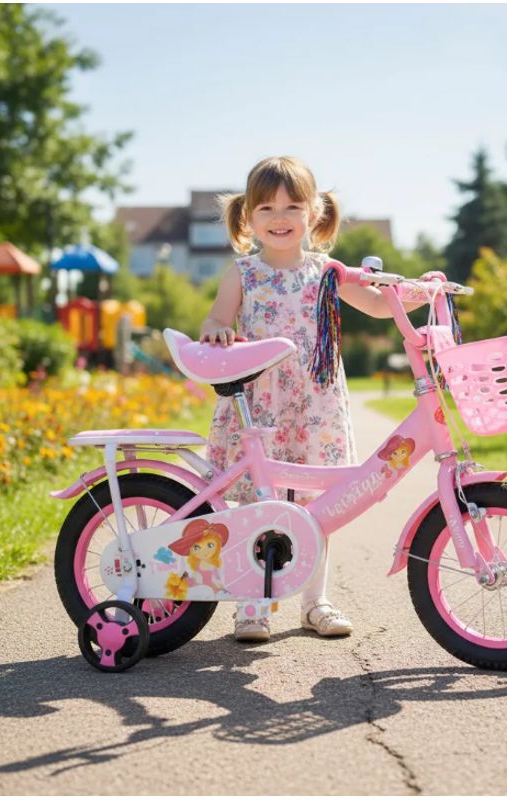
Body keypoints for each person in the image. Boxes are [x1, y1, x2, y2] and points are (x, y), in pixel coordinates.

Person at [200, 155, 424, 642]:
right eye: (266, 208)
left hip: (314, 403)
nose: (279, 218)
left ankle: (315, 601)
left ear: (314, 214)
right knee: (255, 506)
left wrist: (416, 294)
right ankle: (252, 605)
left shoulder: (327, 272)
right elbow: (216, 319)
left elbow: (377, 303)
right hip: (259, 405)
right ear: (248, 217)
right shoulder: (244, 273)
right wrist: (218, 332)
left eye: (292, 206)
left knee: (317, 507)